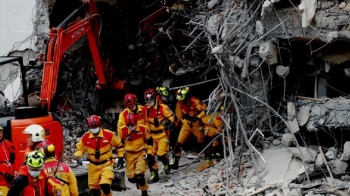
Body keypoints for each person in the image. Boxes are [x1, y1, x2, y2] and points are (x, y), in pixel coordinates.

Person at [75, 115, 124, 196]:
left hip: (107, 164)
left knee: (105, 185)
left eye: (95, 127)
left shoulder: (109, 135)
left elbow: (119, 145)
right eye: (92, 127)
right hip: (93, 166)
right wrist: (78, 157)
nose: (94, 129)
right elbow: (79, 149)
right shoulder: (85, 137)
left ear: (99, 125)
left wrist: (121, 157)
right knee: (94, 191)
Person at [170, 87, 207, 169]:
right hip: (186, 123)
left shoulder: (195, 101)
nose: (181, 101)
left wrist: (197, 117)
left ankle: (207, 156)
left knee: (202, 140)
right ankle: (175, 161)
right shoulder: (179, 102)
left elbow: (205, 109)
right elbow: (178, 116)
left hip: (195, 123)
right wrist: (174, 125)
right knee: (179, 143)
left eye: (182, 100)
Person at [143, 88, 175, 183]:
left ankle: (166, 162)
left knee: (161, 154)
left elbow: (172, 116)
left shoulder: (163, 107)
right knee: (150, 157)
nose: (149, 102)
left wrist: (169, 121)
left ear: (155, 98)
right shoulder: (146, 109)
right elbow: (145, 122)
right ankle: (154, 174)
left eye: (151, 99)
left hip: (163, 135)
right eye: (147, 100)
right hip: (152, 136)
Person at [118, 112, 153, 196]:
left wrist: (150, 153)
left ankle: (144, 192)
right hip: (128, 154)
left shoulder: (143, 129)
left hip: (141, 153)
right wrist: (120, 157)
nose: (130, 127)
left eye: (132, 125)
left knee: (139, 175)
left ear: (136, 122)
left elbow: (149, 141)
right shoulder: (122, 130)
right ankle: (139, 183)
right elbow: (119, 144)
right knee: (131, 178)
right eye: (128, 125)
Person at [0, 126, 17, 196]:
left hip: (12, 180)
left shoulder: (7, 143)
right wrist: (5, 175)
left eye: (0, 132)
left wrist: (16, 170)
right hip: (2, 183)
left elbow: (16, 157)